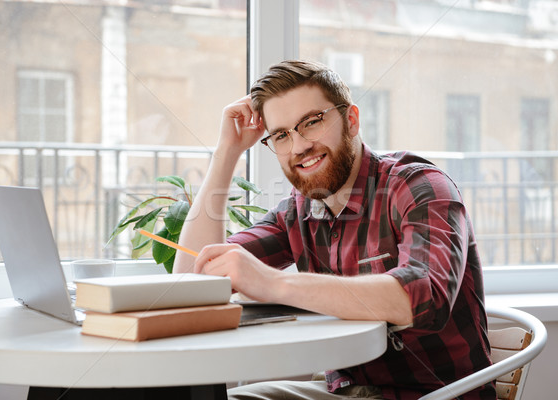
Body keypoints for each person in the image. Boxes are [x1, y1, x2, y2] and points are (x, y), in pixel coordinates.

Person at [173, 60, 494, 399]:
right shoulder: (298, 213)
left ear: (351, 120)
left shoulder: (419, 186)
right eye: (281, 135)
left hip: (436, 394)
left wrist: (273, 283)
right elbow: (192, 277)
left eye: (311, 123)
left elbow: (424, 297)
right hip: (348, 391)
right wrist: (227, 152)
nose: (298, 147)